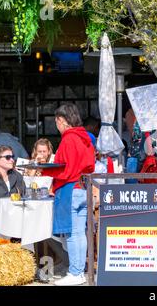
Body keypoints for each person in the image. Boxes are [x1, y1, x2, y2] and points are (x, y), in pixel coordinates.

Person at [42, 104, 95, 286]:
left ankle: (75, 272)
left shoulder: (68, 139)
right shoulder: (86, 138)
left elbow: (65, 169)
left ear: (62, 120)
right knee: (80, 233)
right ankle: (79, 272)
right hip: (83, 189)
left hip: (70, 189)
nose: (57, 125)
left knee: (73, 234)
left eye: (57, 121)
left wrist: (44, 170)